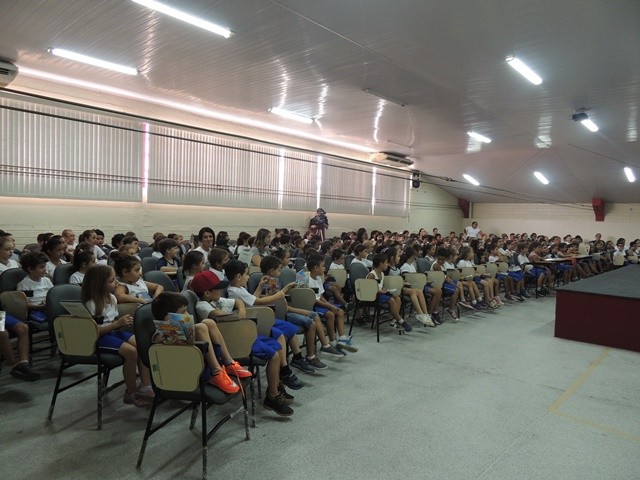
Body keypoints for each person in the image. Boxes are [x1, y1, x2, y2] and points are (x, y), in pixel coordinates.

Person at [82, 264, 153, 407]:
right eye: (111, 281)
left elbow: (112, 322)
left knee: (142, 345)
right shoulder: (91, 304)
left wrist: (122, 323)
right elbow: (92, 332)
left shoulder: (112, 298)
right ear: (99, 284)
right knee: (131, 352)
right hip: (97, 338)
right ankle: (130, 392)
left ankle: (146, 386)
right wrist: (116, 325)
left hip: (111, 332)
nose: (116, 283)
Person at [306, 255, 357, 351]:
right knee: (330, 314)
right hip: (312, 305)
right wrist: (328, 306)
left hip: (321, 303)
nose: (325, 268)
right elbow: (313, 300)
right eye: (323, 266)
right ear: (316, 268)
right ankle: (333, 342)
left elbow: (321, 296)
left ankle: (342, 340)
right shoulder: (307, 280)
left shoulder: (319, 279)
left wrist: (329, 305)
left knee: (340, 311)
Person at [367, 253, 412, 332]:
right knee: (391, 300)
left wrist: (385, 289)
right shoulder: (372, 275)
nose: (387, 264)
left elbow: (380, 286)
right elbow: (369, 289)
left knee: (397, 298)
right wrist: (380, 291)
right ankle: (401, 321)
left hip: (381, 293)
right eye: (386, 262)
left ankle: (393, 321)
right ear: (381, 264)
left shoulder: (382, 273)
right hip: (374, 295)